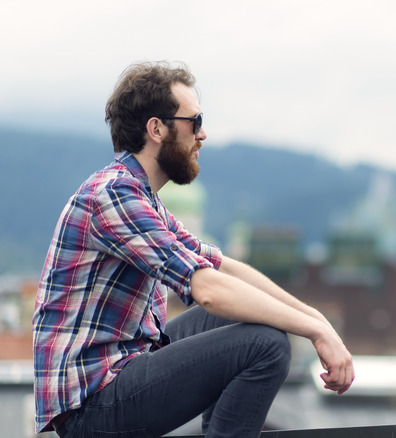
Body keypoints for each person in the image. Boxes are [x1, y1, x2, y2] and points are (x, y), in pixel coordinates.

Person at [32, 61, 355, 437]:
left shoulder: (142, 199)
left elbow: (222, 268)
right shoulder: (113, 195)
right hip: (92, 404)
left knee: (256, 319)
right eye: (194, 121)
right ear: (157, 129)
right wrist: (315, 333)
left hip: (123, 370)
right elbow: (208, 291)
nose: (202, 134)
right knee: (266, 344)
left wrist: (317, 321)